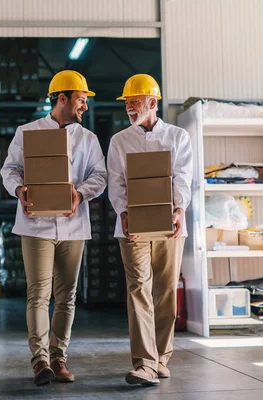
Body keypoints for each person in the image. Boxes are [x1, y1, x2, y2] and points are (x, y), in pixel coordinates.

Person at [0, 70, 107, 386]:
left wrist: (80, 193)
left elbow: (99, 177)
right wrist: (19, 190)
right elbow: (10, 170)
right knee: (38, 294)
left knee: (67, 297)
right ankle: (40, 361)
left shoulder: (88, 139)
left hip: (73, 228)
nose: (84, 106)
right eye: (81, 99)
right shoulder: (27, 132)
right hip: (36, 226)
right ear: (63, 98)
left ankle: (59, 357)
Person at [106, 74, 193, 386]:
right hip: (132, 228)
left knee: (166, 291)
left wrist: (179, 208)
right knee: (138, 290)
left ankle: (161, 357)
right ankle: (144, 363)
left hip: (170, 226)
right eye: (127, 103)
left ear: (152, 103)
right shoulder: (119, 141)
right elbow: (116, 182)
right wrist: (124, 213)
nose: (130, 108)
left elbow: (182, 176)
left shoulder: (178, 137)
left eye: (135, 102)